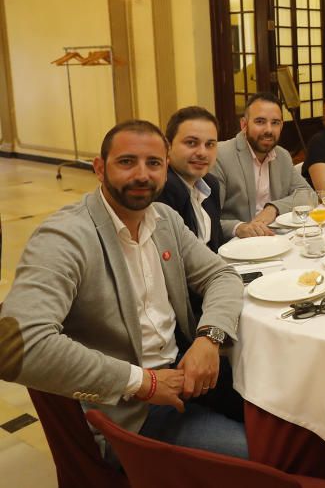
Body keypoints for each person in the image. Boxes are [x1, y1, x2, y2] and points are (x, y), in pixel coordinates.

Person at [0, 120, 247, 460]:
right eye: (127, 162)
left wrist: (209, 336)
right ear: (99, 169)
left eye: (154, 163)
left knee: (284, 418)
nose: (142, 175)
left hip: (182, 372)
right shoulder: (66, 237)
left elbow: (221, 274)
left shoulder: (164, 218)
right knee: (255, 456)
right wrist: (143, 383)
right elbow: (16, 345)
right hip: (126, 411)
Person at [211, 92, 313, 240]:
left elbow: (308, 195)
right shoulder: (220, 156)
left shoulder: (282, 156)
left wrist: (274, 208)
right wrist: (239, 228)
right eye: (260, 122)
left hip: (277, 240)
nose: (268, 130)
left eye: (275, 123)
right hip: (238, 246)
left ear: (282, 126)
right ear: (244, 125)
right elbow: (207, 219)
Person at [157, 106, 223, 252]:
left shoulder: (211, 184)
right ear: (168, 146)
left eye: (210, 144)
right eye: (191, 143)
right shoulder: (161, 189)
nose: (202, 153)